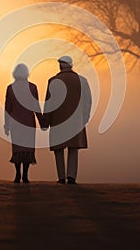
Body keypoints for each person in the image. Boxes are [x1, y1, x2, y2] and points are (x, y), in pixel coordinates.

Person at [43, 56, 92, 184]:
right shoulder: (82, 80)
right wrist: (85, 118)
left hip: (57, 120)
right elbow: (87, 102)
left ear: (60, 66)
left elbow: (49, 104)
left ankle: (61, 177)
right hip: (76, 121)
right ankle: (71, 177)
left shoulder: (53, 81)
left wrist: (45, 122)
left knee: (59, 150)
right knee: (73, 149)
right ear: (71, 65)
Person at [4, 63, 43, 183]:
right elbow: (36, 106)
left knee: (17, 149)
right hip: (28, 122)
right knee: (27, 149)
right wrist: (42, 121)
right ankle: (25, 175)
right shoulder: (32, 87)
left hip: (15, 123)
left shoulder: (10, 88)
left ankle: (17, 174)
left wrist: (6, 124)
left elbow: (8, 108)